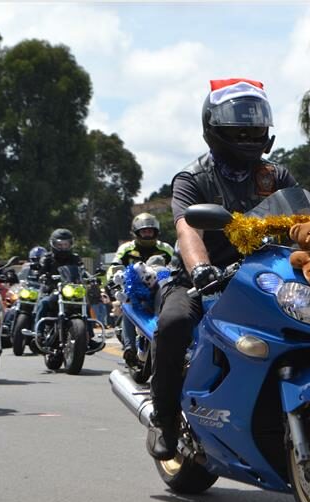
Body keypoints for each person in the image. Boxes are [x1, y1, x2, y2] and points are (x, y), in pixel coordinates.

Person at [147, 78, 297, 460]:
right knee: (175, 323)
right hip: (205, 280)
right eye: (238, 123)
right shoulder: (192, 178)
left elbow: (304, 222)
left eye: (255, 121)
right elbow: (188, 229)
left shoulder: (275, 177)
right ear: (214, 126)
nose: (248, 131)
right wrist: (201, 270)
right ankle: (163, 419)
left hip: (266, 278)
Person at [107, 212, 175, 355]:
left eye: (150, 231)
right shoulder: (126, 248)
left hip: (160, 287)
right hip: (133, 289)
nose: (147, 234)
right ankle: (129, 348)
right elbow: (114, 266)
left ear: (156, 231)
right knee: (128, 305)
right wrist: (112, 280)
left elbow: (177, 265)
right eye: (144, 231)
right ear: (136, 232)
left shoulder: (166, 249)